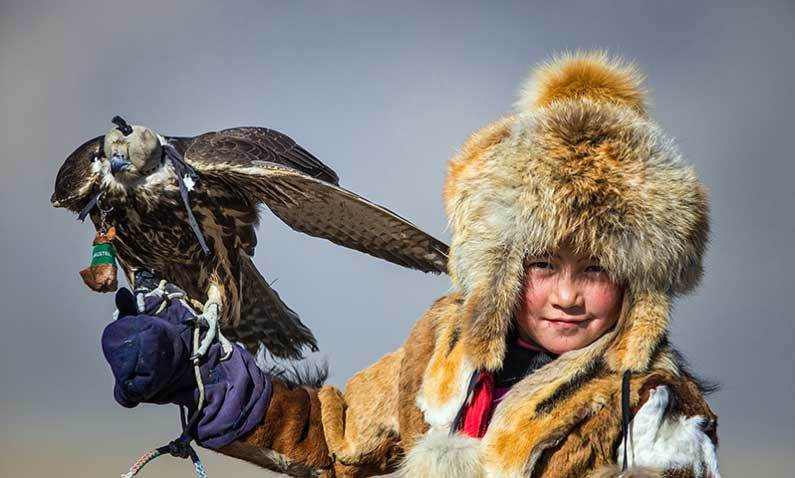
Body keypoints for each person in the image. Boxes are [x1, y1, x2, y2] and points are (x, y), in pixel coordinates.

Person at [101, 52, 721, 477]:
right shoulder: (442, 356)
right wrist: (210, 377)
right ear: (498, 266)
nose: (566, 295)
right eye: (539, 265)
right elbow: (334, 441)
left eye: (595, 270)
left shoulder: (650, 405)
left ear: (641, 284)